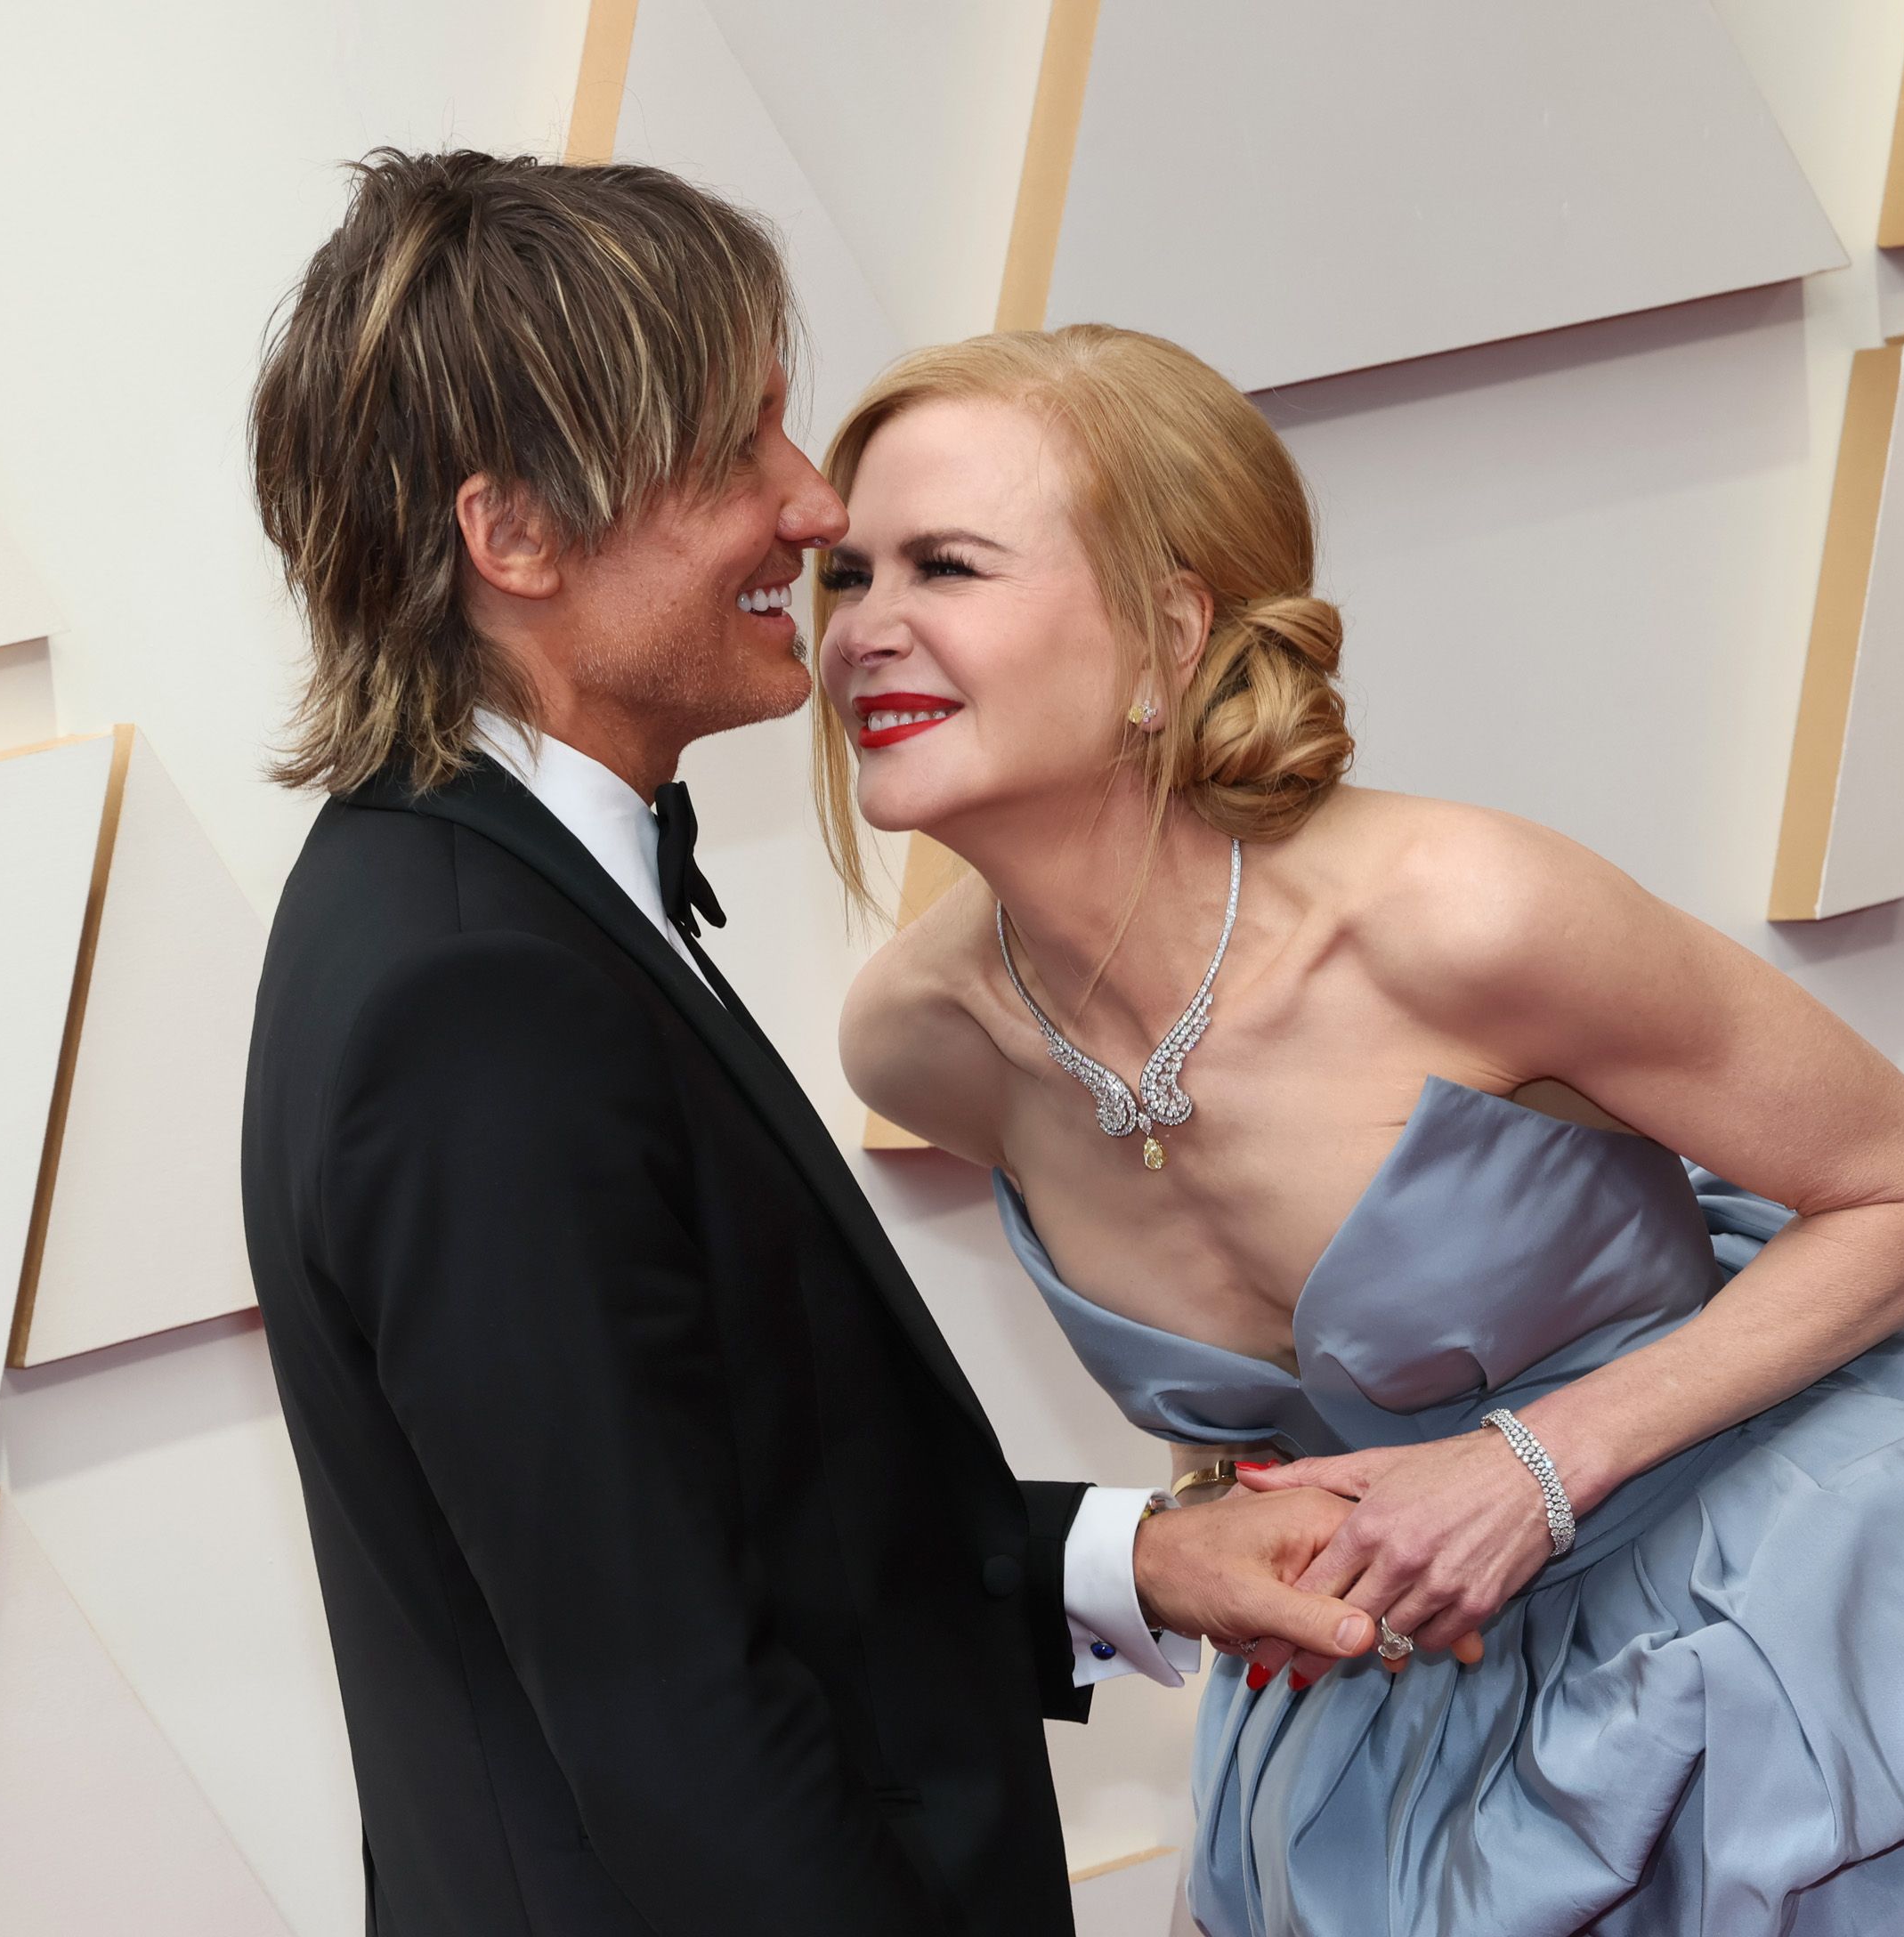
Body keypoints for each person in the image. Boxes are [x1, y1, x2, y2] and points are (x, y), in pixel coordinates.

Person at [821, 324, 1904, 1937]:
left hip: (1799, 1589)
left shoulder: (1465, 915)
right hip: (1427, 1705)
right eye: (845, 575)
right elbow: (1248, 1404)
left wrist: (1531, 1471)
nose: (867, 631)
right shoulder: (925, 1042)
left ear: (1167, 634)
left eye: (944, 567)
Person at [238, 153, 1381, 1937]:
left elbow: (745, 1523)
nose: (813, 502)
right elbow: (670, 1711)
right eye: (733, 454)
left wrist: (1134, 1559)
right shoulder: (470, 1002)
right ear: (513, 535)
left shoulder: (483, 906)